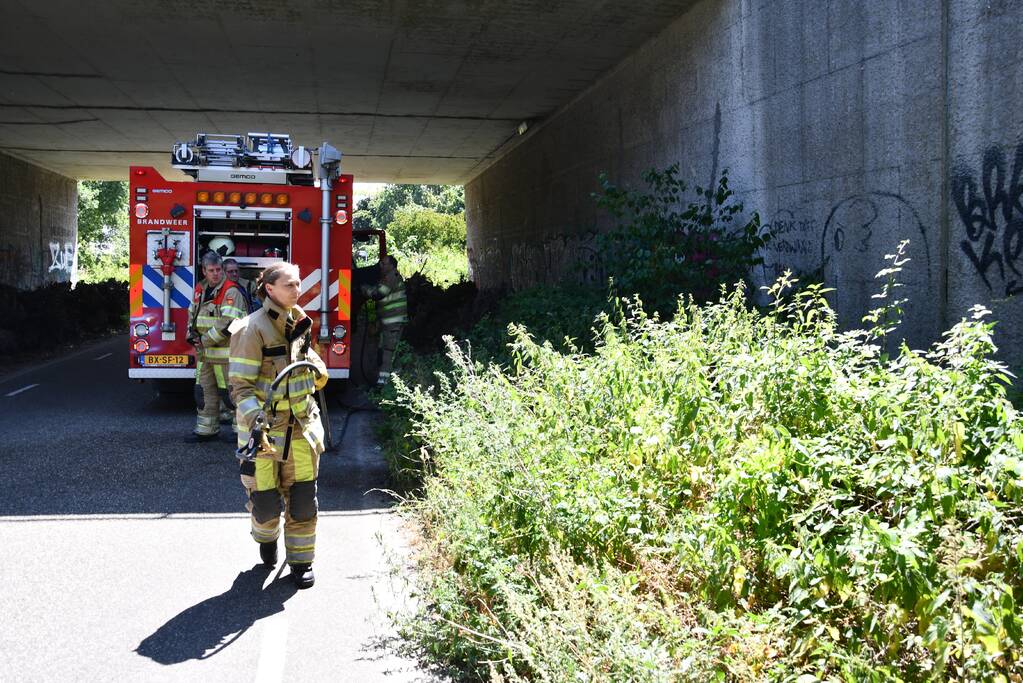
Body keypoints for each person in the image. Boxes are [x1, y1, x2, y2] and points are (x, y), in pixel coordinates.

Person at [228, 262, 329, 589]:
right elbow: (240, 388)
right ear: (269, 289)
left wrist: (319, 368)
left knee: (302, 500)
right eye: (290, 285)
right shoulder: (250, 329)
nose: (296, 290)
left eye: (298, 284)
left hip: (301, 426)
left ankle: (301, 563)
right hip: (265, 436)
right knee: (266, 505)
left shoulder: (298, 321)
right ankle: (266, 539)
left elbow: (305, 358)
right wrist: (257, 421)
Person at [187, 251, 247, 441]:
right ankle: (206, 430)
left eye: (218, 270)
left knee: (231, 394)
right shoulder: (200, 290)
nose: (216, 274)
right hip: (205, 355)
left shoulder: (231, 291)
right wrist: (191, 334)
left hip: (227, 356)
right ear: (204, 271)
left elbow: (229, 323)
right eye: (211, 270)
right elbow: (193, 315)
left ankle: (241, 433)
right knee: (204, 393)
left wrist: (203, 340)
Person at [361, 255, 407, 385]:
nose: (381, 266)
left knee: (387, 353)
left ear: (392, 266)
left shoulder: (391, 277)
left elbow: (378, 294)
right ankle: (385, 381)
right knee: (384, 351)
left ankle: (383, 384)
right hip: (389, 322)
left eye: (384, 264)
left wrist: (364, 289)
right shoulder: (389, 277)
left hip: (393, 323)